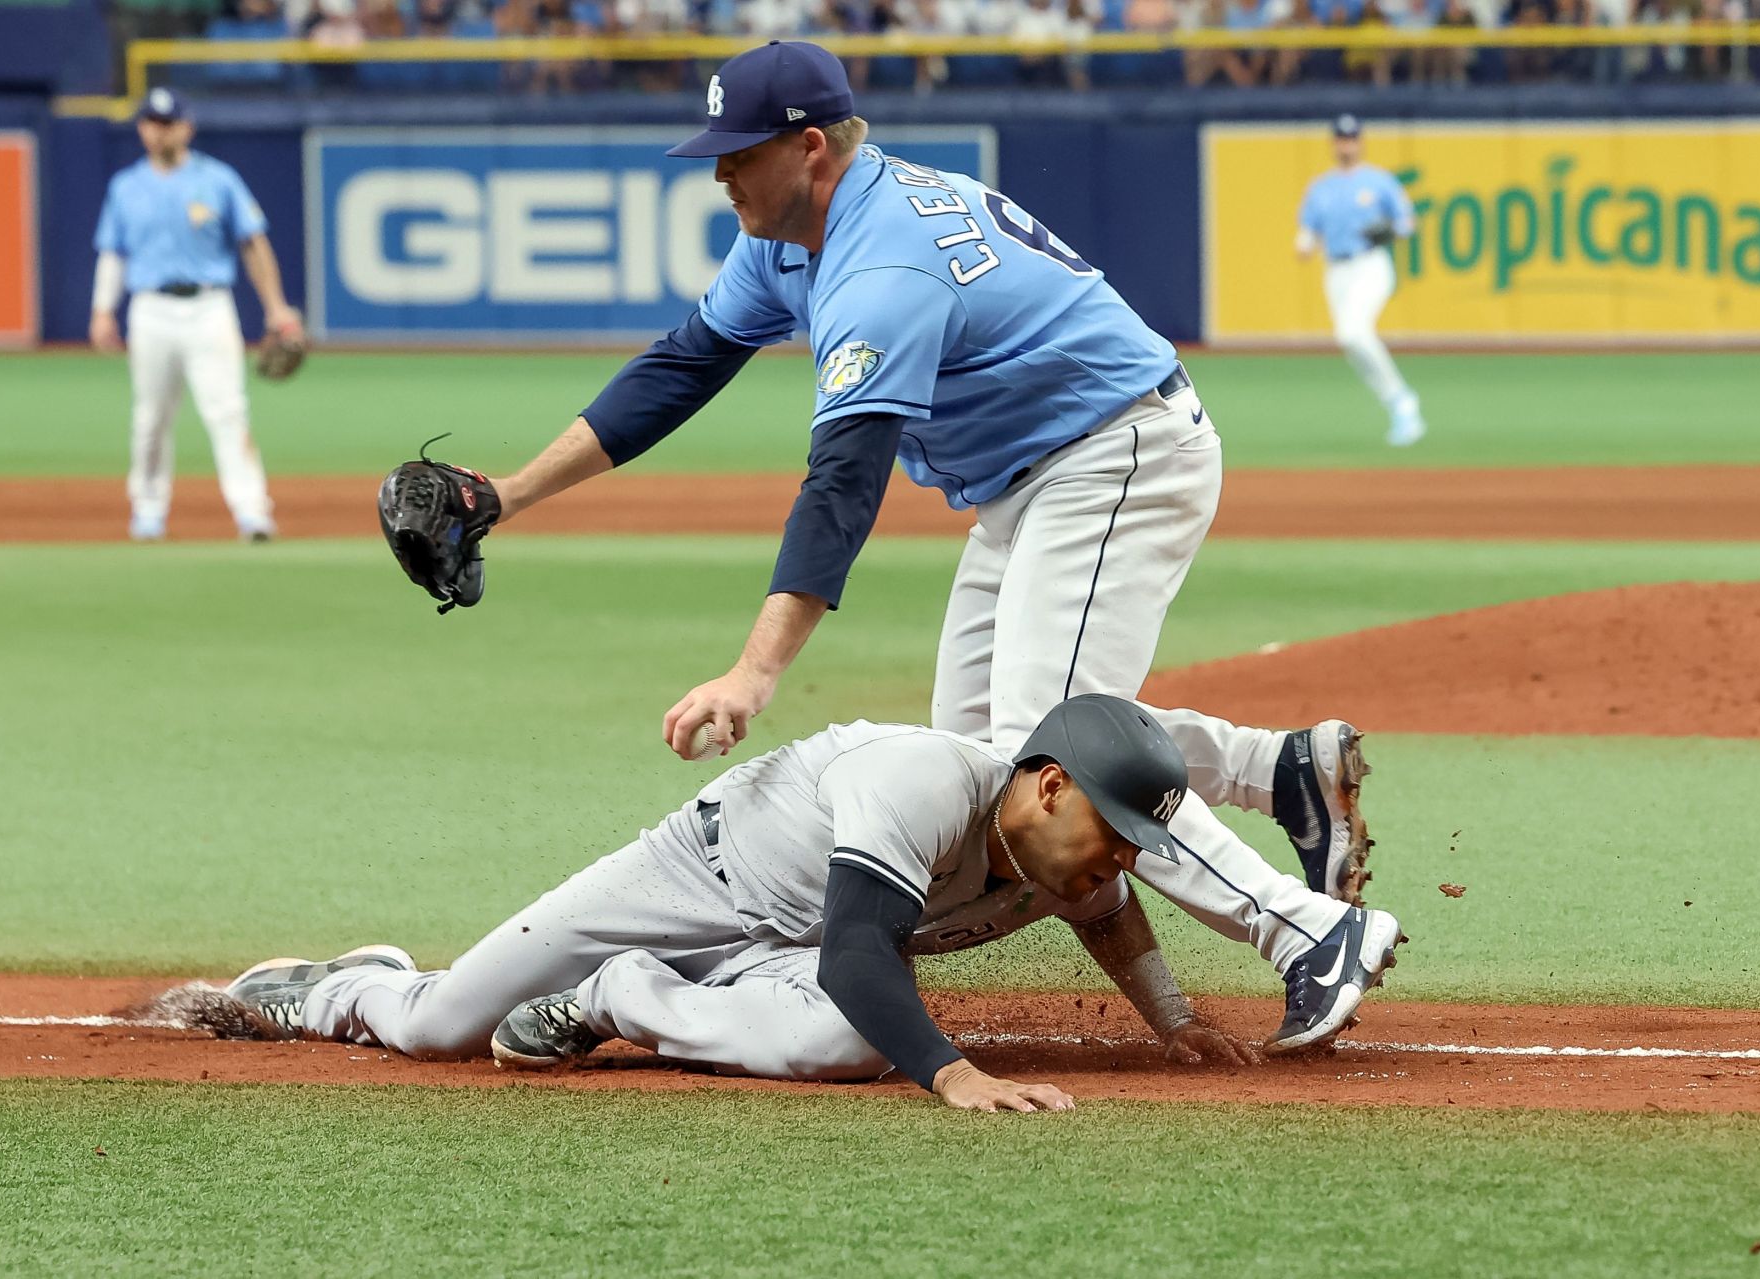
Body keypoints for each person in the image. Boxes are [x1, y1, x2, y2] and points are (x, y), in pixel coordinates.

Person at [410, 40, 1395, 1040]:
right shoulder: (792, 236)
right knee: (984, 774)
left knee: (1052, 765)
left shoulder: (881, 266)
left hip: (1112, 452)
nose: (718, 172)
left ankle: (1308, 932)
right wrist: (506, 493)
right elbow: (685, 363)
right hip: (1030, 481)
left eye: (737, 152)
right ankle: (1278, 771)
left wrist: (755, 671)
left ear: (807, 149)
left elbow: (843, 484)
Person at [224, 697, 1404, 1109]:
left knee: (849, 1044)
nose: (1122, 863)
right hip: (693, 884)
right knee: (439, 1028)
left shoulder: (1058, 853)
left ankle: (623, 1002)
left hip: (778, 953)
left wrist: (1167, 1015)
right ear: (1048, 784)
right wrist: (955, 1073)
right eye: (1113, 830)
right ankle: (340, 987)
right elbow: (855, 947)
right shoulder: (927, 780)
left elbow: (1104, 914)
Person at [90, 88, 300, 541]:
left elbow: (253, 243)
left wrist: (276, 306)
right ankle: (147, 511)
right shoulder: (126, 186)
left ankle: (251, 512)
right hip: (150, 310)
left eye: (166, 122)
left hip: (209, 308)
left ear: (186, 127)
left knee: (227, 411)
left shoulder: (218, 179)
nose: (157, 130)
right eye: (150, 122)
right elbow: (113, 252)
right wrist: (103, 309)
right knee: (151, 418)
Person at [1294, 113, 1425, 447]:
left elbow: (1408, 221)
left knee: (1352, 332)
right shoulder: (1320, 187)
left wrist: (1390, 230)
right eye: (1341, 138)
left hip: (1370, 263)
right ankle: (1398, 403)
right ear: (1333, 143)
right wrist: (1304, 244)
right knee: (1352, 342)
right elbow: (1307, 234)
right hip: (1336, 270)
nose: (1346, 144)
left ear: (1360, 142)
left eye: (1351, 138)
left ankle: (1403, 401)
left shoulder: (1379, 181)